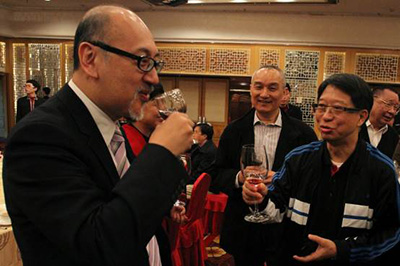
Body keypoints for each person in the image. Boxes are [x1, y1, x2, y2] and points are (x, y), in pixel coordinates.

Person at [3, 5, 194, 266]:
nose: (153, 77)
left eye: (154, 63)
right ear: (90, 59)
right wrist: (160, 152)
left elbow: (122, 204)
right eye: (142, 61)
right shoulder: (39, 136)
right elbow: (101, 245)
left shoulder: (110, 124)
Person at [243, 73, 400, 265]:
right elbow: (276, 209)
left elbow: (390, 234)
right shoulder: (298, 158)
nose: (325, 116)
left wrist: (339, 250)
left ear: (361, 116)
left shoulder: (381, 170)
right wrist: (260, 197)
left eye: (337, 109)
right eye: (321, 107)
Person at [213, 65, 317, 266]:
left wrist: (280, 178)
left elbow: (312, 181)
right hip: (244, 226)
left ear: (284, 92)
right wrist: (240, 177)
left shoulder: (304, 134)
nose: (264, 94)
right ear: (250, 89)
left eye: (272, 88)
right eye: (258, 87)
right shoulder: (233, 131)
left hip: (286, 226)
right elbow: (216, 174)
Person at [122, 83, 164, 157]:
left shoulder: (156, 137)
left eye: (163, 102)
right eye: (156, 104)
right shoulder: (124, 138)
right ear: (139, 105)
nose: (163, 108)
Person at [359, 86, 400, 158]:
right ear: (372, 101)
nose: (392, 111)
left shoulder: (393, 136)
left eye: (396, 107)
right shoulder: (355, 127)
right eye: (388, 104)